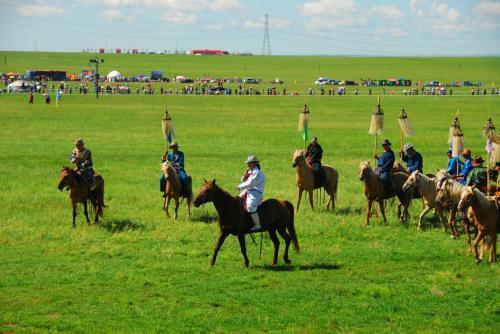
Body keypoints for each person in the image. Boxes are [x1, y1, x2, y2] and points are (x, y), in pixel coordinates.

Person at [238, 155, 265, 232]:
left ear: (254, 163)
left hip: (256, 192)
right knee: (238, 200)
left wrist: (240, 187)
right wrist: (245, 175)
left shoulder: (257, 173)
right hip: (248, 190)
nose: (247, 164)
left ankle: (257, 225)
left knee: (250, 206)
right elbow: (243, 180)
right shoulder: (250, 172)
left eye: (249, 163)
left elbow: (250, 183)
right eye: (247, 163)